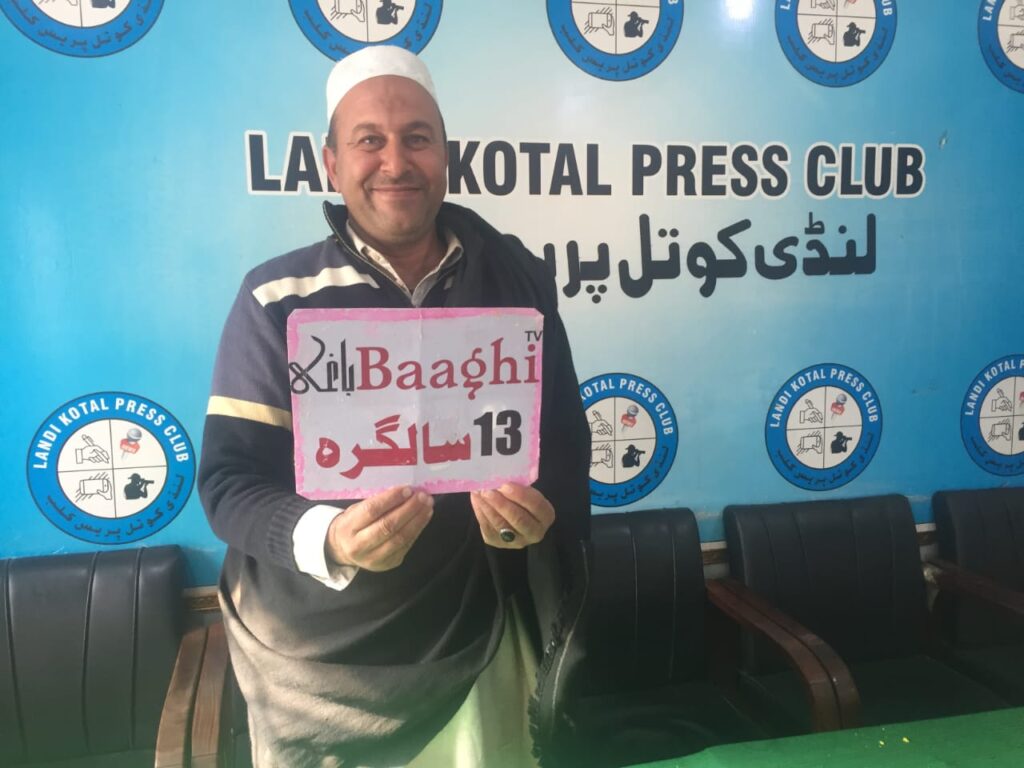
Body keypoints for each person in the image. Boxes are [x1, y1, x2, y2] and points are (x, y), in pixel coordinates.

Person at [199, 46, 590, 768]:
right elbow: (228, 483)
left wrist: (536, 519)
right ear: (330, 164)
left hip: (483, 647)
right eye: (368, 140)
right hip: (323, 669)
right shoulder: (275, 299)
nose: (395, 162)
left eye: (417, 137)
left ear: (446, 155)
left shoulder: (519, 282)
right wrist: (330, 538)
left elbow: (563, 447)